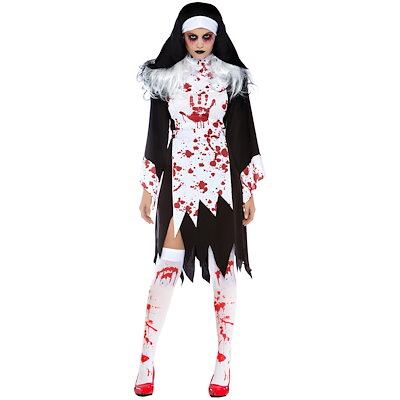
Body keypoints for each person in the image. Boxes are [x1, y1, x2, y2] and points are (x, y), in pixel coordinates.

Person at [134, 2, 265, 397]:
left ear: (217, 37)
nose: (200, 43)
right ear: (182, 38)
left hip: (222, 181)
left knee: (224, 268)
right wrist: (148, 186)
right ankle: (146, 357)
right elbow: (157, 133)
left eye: (207, 36)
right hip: (180, 179)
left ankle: (224, 361)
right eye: (193, 37)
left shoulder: (231, 78)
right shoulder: (166, 79)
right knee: (166, 266)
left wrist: (249, 189)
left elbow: (243, 133)